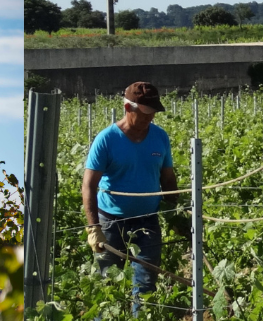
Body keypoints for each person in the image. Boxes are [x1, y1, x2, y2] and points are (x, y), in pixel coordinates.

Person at [82, 81, 178, 314]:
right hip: (111, 222)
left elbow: (167, 178)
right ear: (128, 107)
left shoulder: (160, 137)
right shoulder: (107, 139)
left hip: (148, 221)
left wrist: (177, 211)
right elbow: (89, 185)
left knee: (145, 287)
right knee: (108, 287)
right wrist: (94, 227)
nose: (150, 118)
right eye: (145, 112)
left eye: (153, 112)